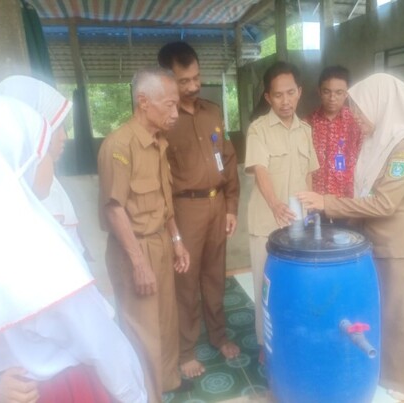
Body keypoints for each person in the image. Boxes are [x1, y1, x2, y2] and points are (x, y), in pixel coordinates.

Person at [0, 94, 147, 403]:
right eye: (45, 153)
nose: (51, 161)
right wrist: (134, 396)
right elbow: (102, 345)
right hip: (63, 391)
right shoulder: (38, 251)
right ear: (19, 162)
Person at [298, 73, 404, 401]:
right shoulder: (378, 142)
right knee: (388, 316)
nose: (356, 117)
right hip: (380, 243)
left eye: (360, 110)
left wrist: (327, 202)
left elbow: (384, 202)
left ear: (381, 105)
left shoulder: (402, 145)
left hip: (402, 246)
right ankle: (393, 376)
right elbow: (363, 192)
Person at [97, 66, 190, 403]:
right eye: (169, 105)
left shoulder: (158, 143)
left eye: (176, 105)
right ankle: (145, 396)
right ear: (143, 102)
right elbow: (113, 208)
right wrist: (138, 263)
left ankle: (167, 382)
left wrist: (177, 241)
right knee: (141, 330)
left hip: (160, 244)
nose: (175, 113)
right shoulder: (119, 146)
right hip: (134, 249)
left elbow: (165, 201)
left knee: (165, 321)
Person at [158, 41, 241, 378]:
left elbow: (229, 159)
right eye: (183, 81)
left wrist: (232, 205)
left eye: (196, 78)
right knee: (186, 282)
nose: (193, 86)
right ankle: (187, 349)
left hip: (217, 204)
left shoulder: (212, 111)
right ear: (167, 80)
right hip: (185, 208)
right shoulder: (164, 121)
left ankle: (219, 335)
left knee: (214, 276)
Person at [245, 61, 319, 364]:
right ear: (268, 98)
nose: (285, 101)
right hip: (266, 224)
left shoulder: (306, 131)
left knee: (295, 286)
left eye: (291, 93)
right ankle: (266, 344)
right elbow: (260, 168)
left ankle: (292, 337)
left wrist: (312, 216)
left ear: (299, 92)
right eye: (278, 95)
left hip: (298, 226)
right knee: (266, 287)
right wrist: (275, 203)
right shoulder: (258, 130)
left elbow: (310, 174)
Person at [0, 75, 89, 259]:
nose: (65, 137)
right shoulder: (15, 195)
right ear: (30, 127)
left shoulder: (48, 182)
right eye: (57, 126)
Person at [306, 66, 362, 199]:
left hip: (346, 201)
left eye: (339, 92)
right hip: (315, 200)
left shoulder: (357, 122)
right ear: (319, 91)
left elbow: (364, 159)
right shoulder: (307, 124)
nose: (332, 98)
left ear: (347, 93)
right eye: (327, 92)